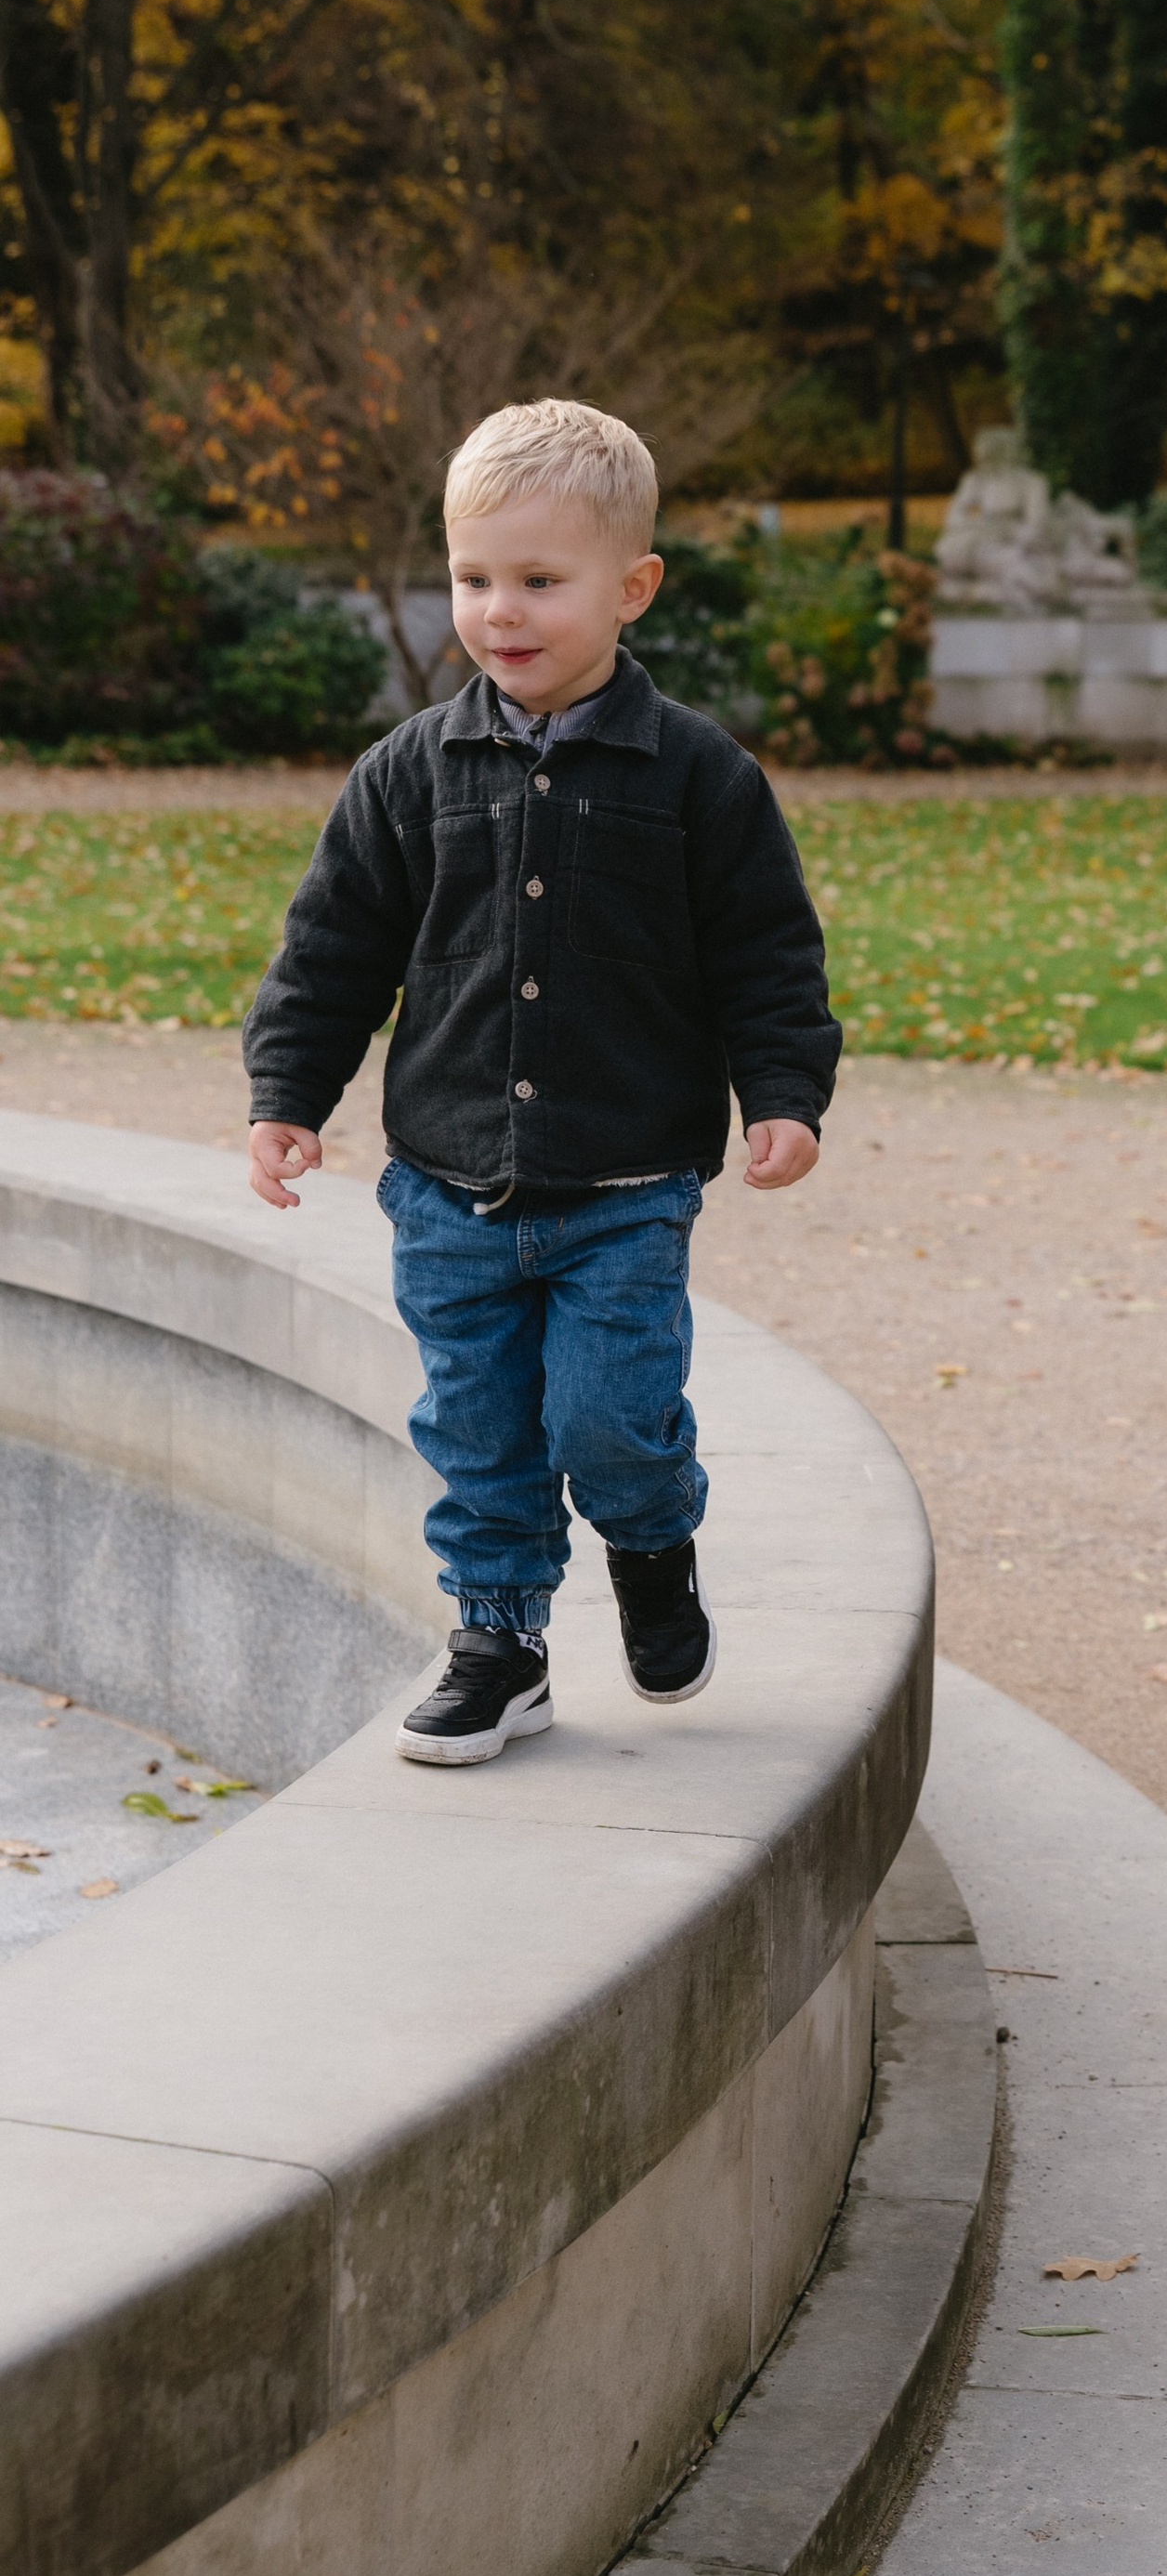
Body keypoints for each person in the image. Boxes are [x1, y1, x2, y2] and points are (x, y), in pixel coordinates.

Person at [243, 398, 840, 1765]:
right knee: (477, 1425)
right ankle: (499, 1644)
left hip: (626, 1184)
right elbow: (333, 949)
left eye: (539, 580)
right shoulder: (408, 774)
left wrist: (786, 1092)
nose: (499, 611)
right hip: (446, 1187)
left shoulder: (697, 778)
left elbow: (765, 951)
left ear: (631, 590)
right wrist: (288, 1093)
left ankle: (651, 1536)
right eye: (472, 578)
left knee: (606, 1418)